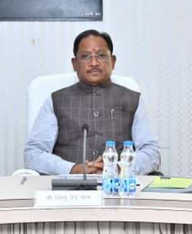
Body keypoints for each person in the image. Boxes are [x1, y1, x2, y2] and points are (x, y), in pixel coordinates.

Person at [24, 29, 161, 175]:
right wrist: (73, 169)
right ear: (74, 64)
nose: (94, 63)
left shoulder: (133, 99)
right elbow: (33, 154)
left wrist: (119, 168)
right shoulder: (56, 100)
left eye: (101, 55)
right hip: (70, 185)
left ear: (113, 61)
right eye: (85, 56)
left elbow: (151, 152)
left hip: (120, 182)